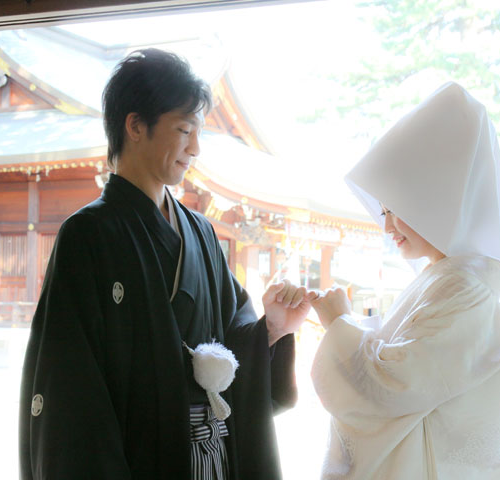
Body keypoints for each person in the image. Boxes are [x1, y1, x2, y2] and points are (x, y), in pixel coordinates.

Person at [19, 48, 313, 479]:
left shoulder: (201, 232)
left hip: (215, 457)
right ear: (135, 125)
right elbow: (71, 384)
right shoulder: (89, 235)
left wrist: (272, 328)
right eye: (184, 129)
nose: (195, 147)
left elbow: (232, 337)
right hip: (139, 461)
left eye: (198, 132)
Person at [310, 82, 500, 479]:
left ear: (436, 201)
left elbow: (392, 388)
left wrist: (339, 325)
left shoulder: (462, 288)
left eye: (396, 209)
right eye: (382, 211)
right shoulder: (447, 280)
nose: (388, 226)